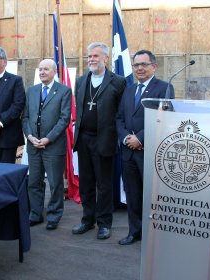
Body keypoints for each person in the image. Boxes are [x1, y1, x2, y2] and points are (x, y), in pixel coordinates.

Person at [116, 49, 174, 245]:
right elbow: (119, 118)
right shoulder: (129, 89)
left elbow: (164, 118)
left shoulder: (164, 88)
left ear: (154, 66)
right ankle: (135, 232)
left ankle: (154, 236)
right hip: (128, 153)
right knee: (132, 195)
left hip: (148, 152)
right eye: (136, 65)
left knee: (151, 195)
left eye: (144, 64)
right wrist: (126, 139)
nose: (139, 68)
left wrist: (140, 138)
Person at [72, 42, 126, 240]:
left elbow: (121, 112)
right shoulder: (81, 80)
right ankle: (87, 220)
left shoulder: (118, 82)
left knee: (104, 185)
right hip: (84, 138)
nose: (91, 60)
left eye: (96, 56)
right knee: (86, 182)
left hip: (104, 140)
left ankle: (104, 223)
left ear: (106, 58)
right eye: (89, 56)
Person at [22, 59, 71, 230]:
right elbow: (26, 117)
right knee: (33, 182)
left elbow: (64, 119)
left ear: (54, 71)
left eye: (46, 69)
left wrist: (48, 139)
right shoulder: (32, 91)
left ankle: (54, 215)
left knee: (55, 182)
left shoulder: (64, 91)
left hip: (53, 146)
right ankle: (35, 214)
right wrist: (29, 136)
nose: (42, 72)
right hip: (33, 145)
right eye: (40, 69)